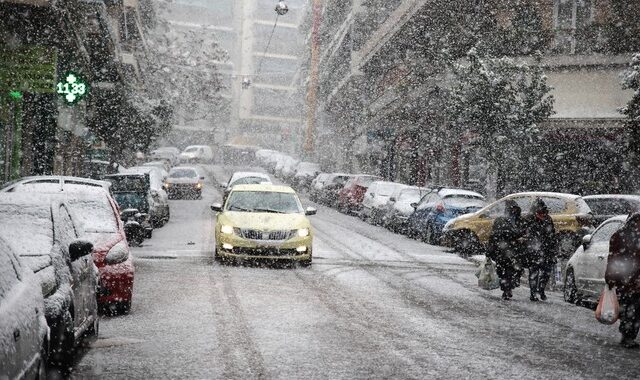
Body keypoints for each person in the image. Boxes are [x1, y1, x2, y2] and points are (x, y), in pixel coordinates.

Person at [605, 213, 640, 349]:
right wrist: (610, 277)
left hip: (634, 279)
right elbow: (613, 258)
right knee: (629, 308)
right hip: (625, 279)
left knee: (636, 310)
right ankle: (626, 335)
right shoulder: (620, 236)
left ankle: (630, 335)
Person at [487, 199, 525, 300]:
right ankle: (506, 289)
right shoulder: (500, 221)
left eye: (515, 209)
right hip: (502, 251)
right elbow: (495, 235)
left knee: (513, 270)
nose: (513, 211)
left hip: (514, 251)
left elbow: (524, 232)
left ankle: (509, 287)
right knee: (503, 271)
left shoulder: (520, 221)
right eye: (511, 209)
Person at [523, 199, 557, 302]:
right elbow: (527, 234)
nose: (542, 215)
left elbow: (552, 235)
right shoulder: (530, 220)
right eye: (540, 213)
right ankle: (533, 293)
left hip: (546, 250)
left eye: (544, 213)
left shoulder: (548, 219)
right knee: (534, 272)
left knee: (546, 272)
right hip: (534, 250)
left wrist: (553, 248)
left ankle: (541, 290)